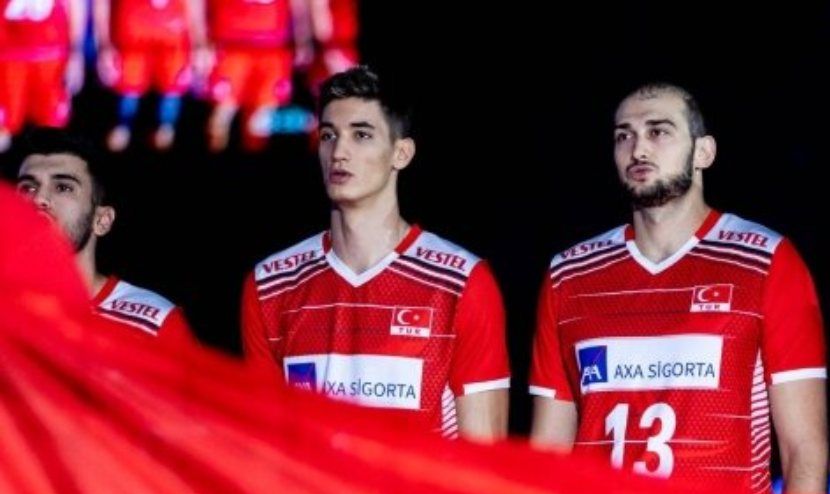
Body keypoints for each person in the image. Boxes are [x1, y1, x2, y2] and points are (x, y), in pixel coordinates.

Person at [528, 83, 828, 494]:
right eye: (624, 135)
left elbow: (804, 453)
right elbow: (548, 454)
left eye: (658, 132)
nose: (638, 149)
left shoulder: (766, 262)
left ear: (703, 152)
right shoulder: (570, 275)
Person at [241, 65, 510, 441]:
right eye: (328, 135)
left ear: (401, 153)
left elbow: (483, 459)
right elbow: (265, 446)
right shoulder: (271, 286)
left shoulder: (461, 283)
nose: (339, 152)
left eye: (361, 135)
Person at [14, 127, 193, 341]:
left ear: (102, 221)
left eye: (63, 187)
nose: (38, 199)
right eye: (28, 188)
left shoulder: (155, 324)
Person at [94, 0, 207, 152]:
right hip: (130, 42)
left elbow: (195, 4)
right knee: (121, 126)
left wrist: (199, 41)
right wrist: (104, 43)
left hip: (174, 43)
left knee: (166, 124)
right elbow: (102, 3)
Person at [204, 0, 312, 152]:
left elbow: (299, 6)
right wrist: (202, 40)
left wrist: (303, 40)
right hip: (230, 46)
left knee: (258, 123)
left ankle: (311, 122)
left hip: (273, 48)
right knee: (222, 115)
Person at [0, 0, 85, 153]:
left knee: (51, 130)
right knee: (3, 130)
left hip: (51, 54)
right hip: (8, 55)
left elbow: (74, 4)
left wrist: (75, 53)